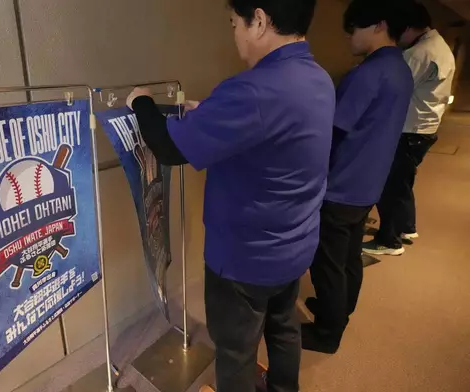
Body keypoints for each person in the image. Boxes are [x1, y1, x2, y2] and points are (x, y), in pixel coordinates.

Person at [125, 0, 334, 390]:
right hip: (295, 244)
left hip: (245, 258)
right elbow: (274, 134)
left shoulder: (252, 90)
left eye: (235, 23)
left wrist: (141, 102)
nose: (234, 32)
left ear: (259, 20)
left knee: (237, 351)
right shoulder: (317, 78)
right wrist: (209, 113)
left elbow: (170, 149)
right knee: (284, 327)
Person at [301, 0, 414, 354]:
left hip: (342, 183)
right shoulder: (400, 69)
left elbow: (332, 131)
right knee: (349, 255)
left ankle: (328, 333)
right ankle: (341, 311)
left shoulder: (367, 73)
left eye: (354, 28)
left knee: (329, 262)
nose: (350, 37)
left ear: (379, 25)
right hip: (369, 182)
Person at [363, 1, 456, 256]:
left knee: (392, 185)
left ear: (407, 27)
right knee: (403, 182)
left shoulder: (420, 52)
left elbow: (395, 86)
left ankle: (389, 240)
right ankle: (406, 227)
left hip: (411, 128)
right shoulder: (438, 45)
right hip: (423, 128)